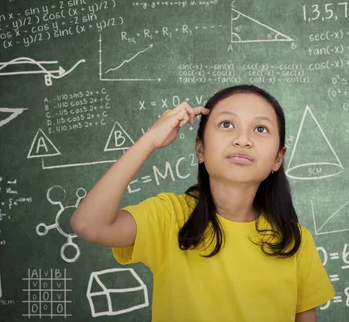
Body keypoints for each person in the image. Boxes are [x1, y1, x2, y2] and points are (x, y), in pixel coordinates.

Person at [71, 84, 335, 321]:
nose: (243, 140)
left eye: (260, 129)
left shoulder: (294, 240)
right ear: (200, 148)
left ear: (278, 158)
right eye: (227, 125)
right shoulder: (170, 217)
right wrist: (150, 140)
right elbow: (88, 224)